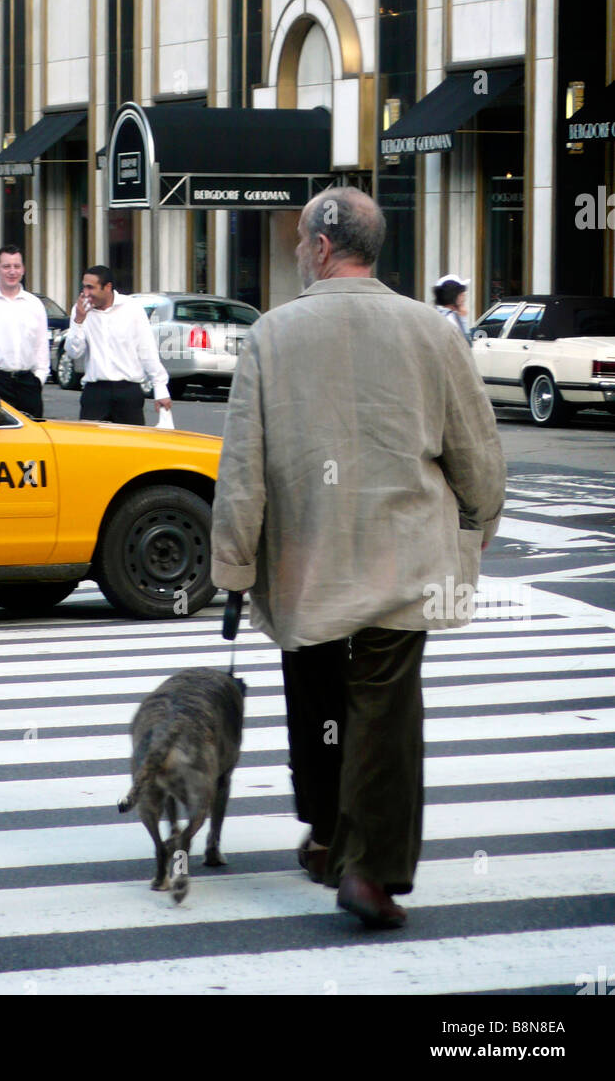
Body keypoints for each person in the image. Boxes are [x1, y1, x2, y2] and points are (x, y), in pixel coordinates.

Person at [210, 187, 505, 930]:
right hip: (402, 556)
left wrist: (234, 569)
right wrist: (479, 521)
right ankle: (368, 868)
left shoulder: (271, 336)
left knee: (317, 697)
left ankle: (327, 835)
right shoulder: (430, 331)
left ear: (318, 247)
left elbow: (242, 469)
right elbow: (477, 450)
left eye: (297, 246)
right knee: (384, 710)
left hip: (306, 559)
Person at [65, 265, 172, 425]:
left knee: (131, 446)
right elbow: (74, 352)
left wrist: (160, 388)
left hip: (128, 391)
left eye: (90, 287)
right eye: (84, 287)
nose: (85, 293)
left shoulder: (132, 308)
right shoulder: (80, 310)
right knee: (91, 448)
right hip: (95, 392)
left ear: (107, 287)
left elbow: (146, 349)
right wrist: (79, 320)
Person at [0, 245, 49, 418]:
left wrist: (38, 379)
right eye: (6, 266)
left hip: (27, 383)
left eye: (16, 266)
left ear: (23, 269)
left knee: (32, 440)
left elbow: (41, 345)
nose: (12, 271)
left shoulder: (34, 304)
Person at [434, 274, 472, 343]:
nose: (464, 299)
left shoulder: (452, 315)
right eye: (461, 295)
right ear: (452, 295)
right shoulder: (447, 318)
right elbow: (466, 344)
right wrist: (463, 319)